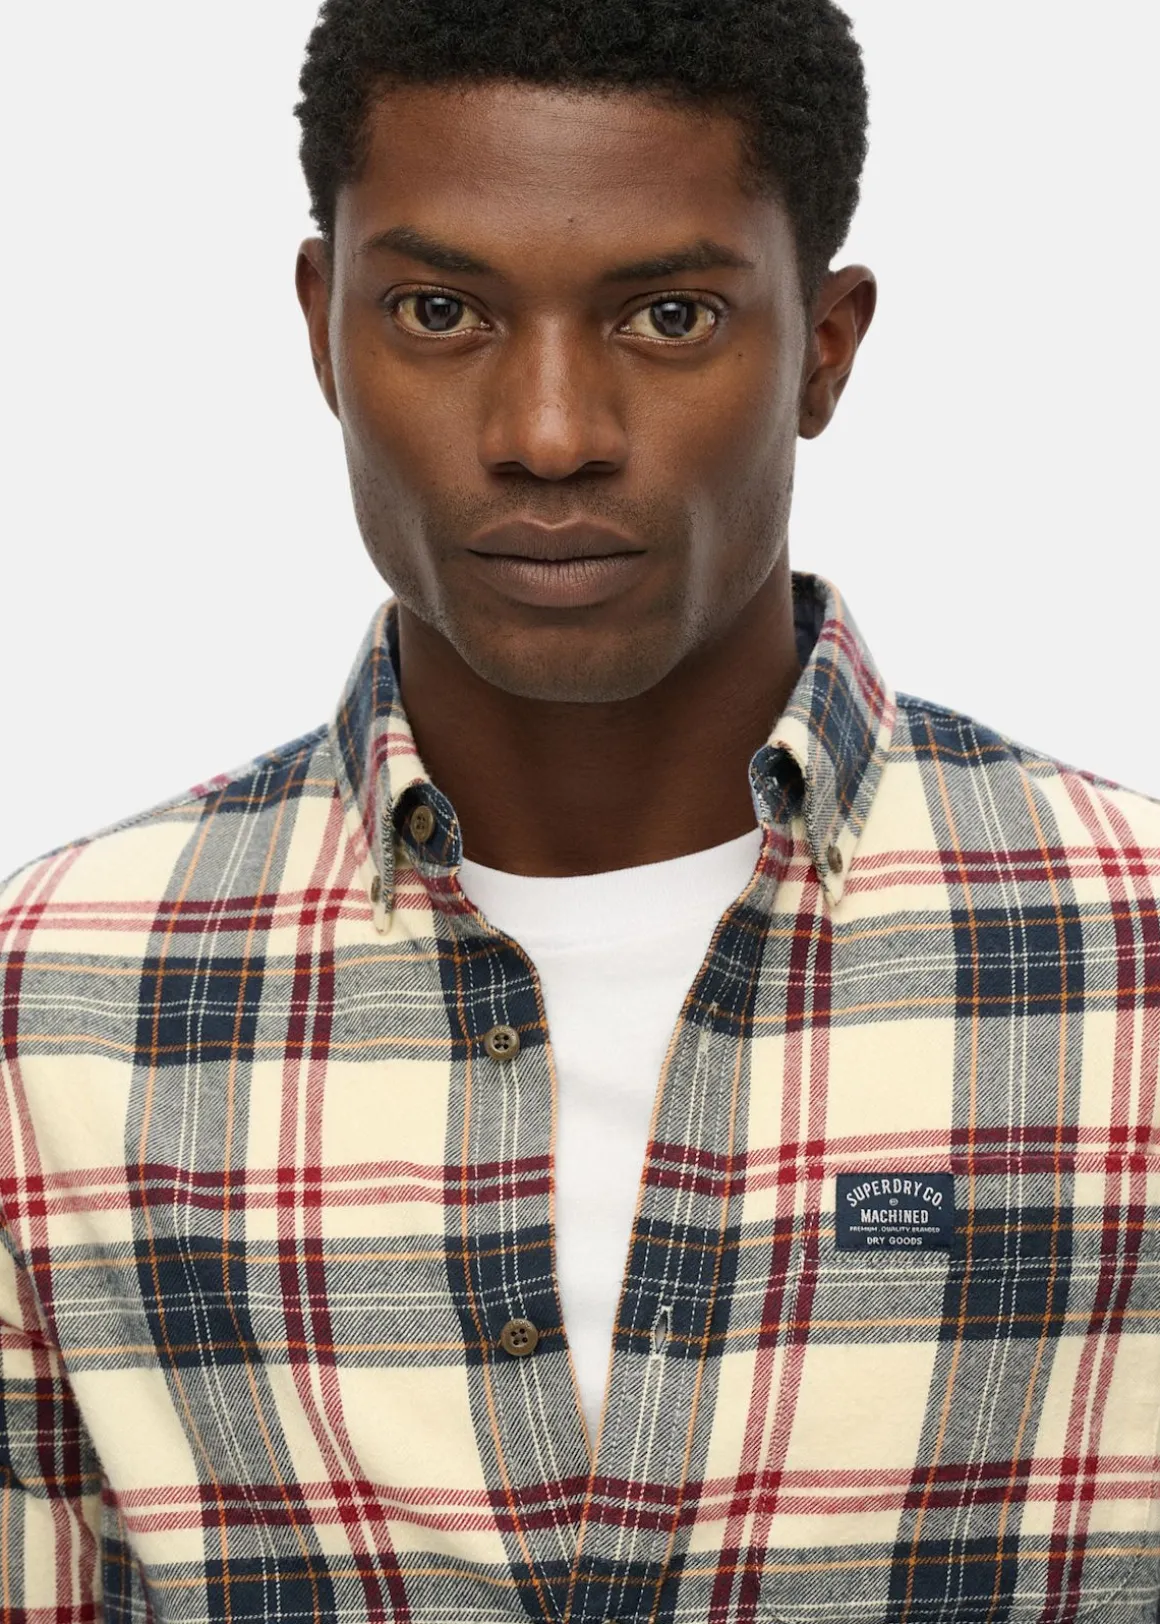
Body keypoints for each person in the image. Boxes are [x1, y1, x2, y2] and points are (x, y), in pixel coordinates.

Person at [1, 0, 1157, 1617]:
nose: (549, 435)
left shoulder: (1134, 968)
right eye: (439, 311)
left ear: (824, 348)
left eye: (670, 316)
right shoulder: (51, 1009)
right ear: (323, 327)